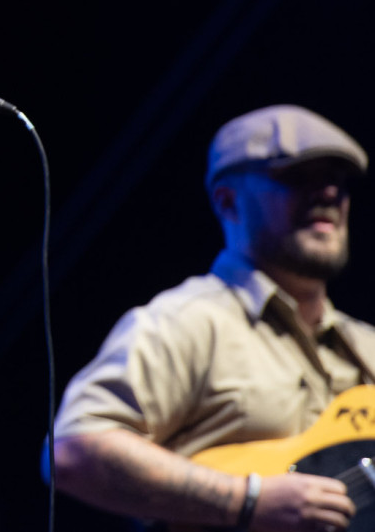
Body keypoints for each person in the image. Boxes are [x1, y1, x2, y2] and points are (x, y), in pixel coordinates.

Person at [51, 104, 375, 532]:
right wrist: (247, 501)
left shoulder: (366, 346)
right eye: (298, 177)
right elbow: (73, 449)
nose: (329, 195)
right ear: (227, 201)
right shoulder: (185, 322)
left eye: (337, 181)